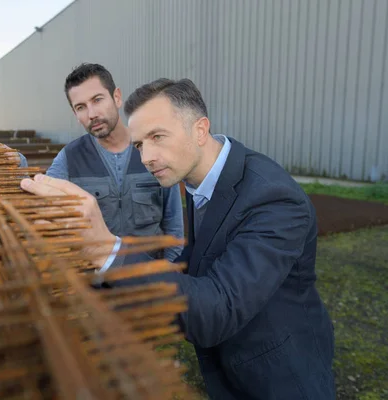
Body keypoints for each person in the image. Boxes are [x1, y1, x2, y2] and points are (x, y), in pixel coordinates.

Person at [19, 78, 336, 399]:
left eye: (158, 137)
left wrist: (107, 250)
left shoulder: (273, 198)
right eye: (140, 144)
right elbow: (195, 265)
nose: (146, 158)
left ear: (199, 129)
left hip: (280, 377)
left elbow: (218, 309)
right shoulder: (198, 179)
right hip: (229, 369)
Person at [0, 63, 184, 262]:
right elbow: (37, 198)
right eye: (81, 107)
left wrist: (169, 272)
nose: (92, 114)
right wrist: (15, 163)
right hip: (98, 285)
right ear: (74, 113)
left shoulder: (153, 151)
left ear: (116, 97)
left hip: (153, 282)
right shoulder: (69, 157)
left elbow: (174, 226)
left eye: (97, 100)